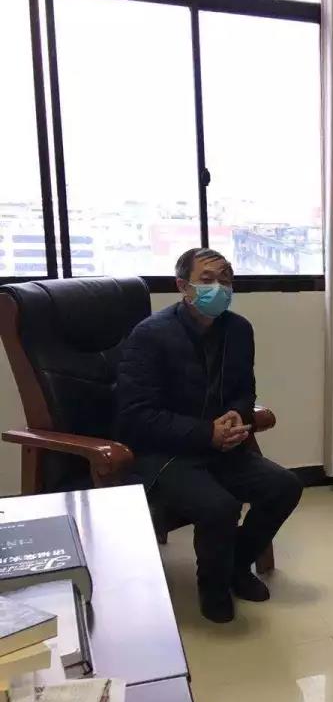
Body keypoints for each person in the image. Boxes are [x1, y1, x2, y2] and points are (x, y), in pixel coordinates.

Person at [115, 248, 303, 624]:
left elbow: (243, 390)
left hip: (220, 448)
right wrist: (206, 433)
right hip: (165, 454)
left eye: (226, 279)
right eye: (207, 279)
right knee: (219, 506)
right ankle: (212, 587)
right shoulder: (150, 335)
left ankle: (236, 566)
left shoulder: (238, 329)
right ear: (182, 286)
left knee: (284, 486)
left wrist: (238, 414)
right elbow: (136, 416)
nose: (219, 287)